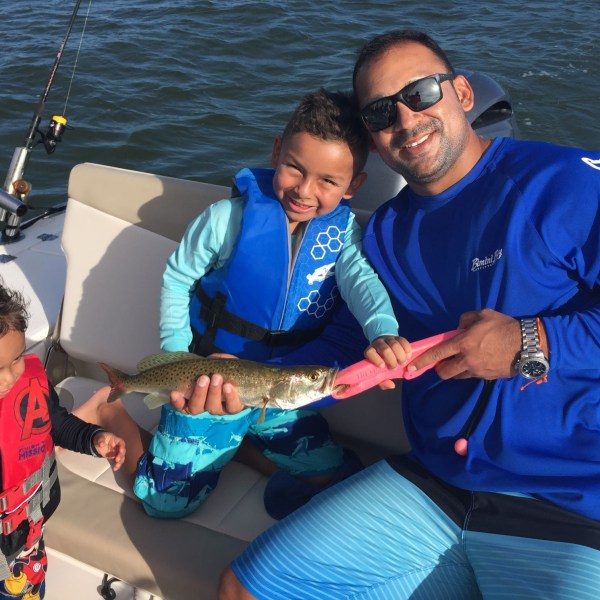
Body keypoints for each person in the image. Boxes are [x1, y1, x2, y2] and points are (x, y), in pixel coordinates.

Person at [215, 29, 600, 599]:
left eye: (419, 93)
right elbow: (351, 344)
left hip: (569, 505)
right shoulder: (387, 233)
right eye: (379, 111)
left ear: (462, 93)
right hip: (436, 485)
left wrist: (531, 339)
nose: (405, 117)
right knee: (244, 589)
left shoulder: (566, 183)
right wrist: (250, 384)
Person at [80, 89, 411, 522]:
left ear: (354, 187)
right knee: (164, 504)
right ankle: (111, 406)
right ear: (277, 152)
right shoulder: (226, 218)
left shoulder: (341, 238)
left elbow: (363, 285)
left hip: (280, 390)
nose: (305, 191)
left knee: (338, 475)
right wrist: (179, 356)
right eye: (295, 167)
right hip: (207, 382)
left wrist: (382, 330)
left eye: (328, 181)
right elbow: (179, 277)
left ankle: (237, 442)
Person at [0, 282, 126, 600]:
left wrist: (92, 438)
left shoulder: (24, 386)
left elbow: (54, 421)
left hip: (28, 544)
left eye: (16, 360)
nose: (9, 377)